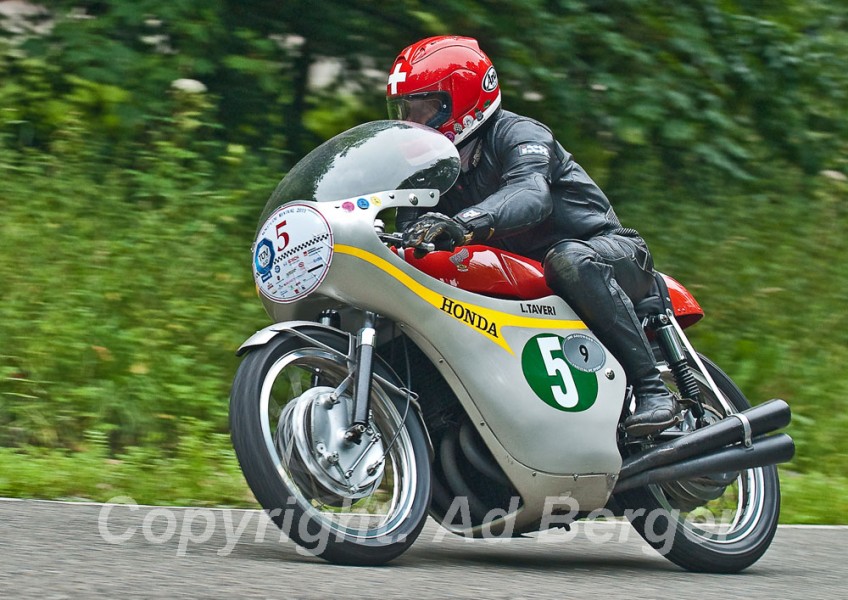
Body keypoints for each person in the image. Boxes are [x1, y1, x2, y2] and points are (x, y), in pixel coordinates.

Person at [386, 35, 681, 437]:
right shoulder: (431, 173)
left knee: (568, 260)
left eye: (424, 109)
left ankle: (654, 392)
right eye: (405, 110)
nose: (412, 123)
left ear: (464, 100)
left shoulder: (518, 133)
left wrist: (464, 223)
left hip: (607, 253)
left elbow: (530, 195)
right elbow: (408, 237)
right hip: (525, 281)